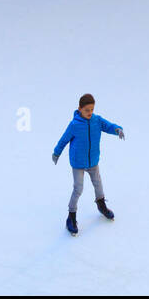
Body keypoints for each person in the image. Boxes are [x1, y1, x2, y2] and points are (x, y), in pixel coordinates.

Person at [52, 93, 124, 236]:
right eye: (87, 110)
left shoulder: (97, 120)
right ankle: (71, 216)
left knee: (98, 183)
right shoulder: (74, 125)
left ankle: (101, 204)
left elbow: (108, 126)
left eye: (92, 109)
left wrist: (117, 129)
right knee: (78, 189)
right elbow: (64, 139)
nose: (90, 112)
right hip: (78, 163)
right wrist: (56, 153)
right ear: (79, 109)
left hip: (93, 161)